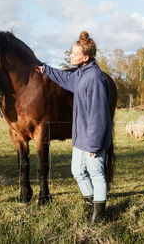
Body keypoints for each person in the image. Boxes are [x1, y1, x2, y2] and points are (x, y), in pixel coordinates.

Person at [34, 31, 112, 224]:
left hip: (92, 139)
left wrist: (94, 145)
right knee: (77, 171)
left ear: (85, 57)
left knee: (96, 173)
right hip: (80, 137)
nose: (70, 56)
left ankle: (99, 216)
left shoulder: (95, 78)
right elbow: (65, 79)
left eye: (74, 53)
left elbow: (100, 115)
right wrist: (46, 70)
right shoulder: (81, 74)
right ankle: (91, 205)